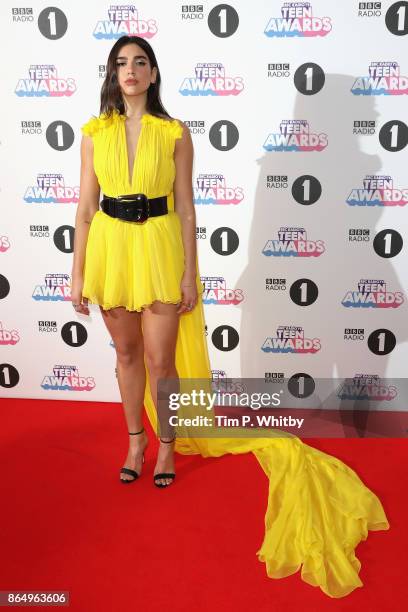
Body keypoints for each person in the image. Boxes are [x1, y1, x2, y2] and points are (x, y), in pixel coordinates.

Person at [71, 35, 390, 597]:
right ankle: (136, 441)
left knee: (160, 359)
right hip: (111, 252)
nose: (130, 71)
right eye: (121, 63)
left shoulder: (175, 134)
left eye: (140, 62)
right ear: (111, 73)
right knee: (124, 354)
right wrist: (76, 273)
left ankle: (168, 444)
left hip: (162, 247)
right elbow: (84, 207)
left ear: (153, 73)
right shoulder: (93, 133)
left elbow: (189, 207)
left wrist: (191, 272)